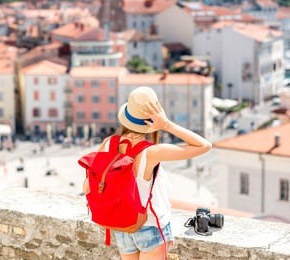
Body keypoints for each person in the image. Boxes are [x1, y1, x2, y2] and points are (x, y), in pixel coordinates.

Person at [82, 87, 212, 260]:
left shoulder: (108, 143)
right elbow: (204, 145)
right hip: (149, 224)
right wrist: (166, 124)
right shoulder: (151, 152)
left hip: (120, 224)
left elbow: (87, 187)